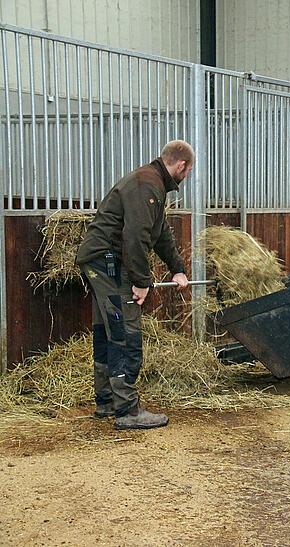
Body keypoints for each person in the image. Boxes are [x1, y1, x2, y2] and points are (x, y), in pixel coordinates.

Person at [75, 140, 194, 430]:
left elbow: (160, 232)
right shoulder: (147, 185)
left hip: (100, 261)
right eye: (188, 170)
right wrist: (142, 283)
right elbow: (135, 238)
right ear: (181, 165)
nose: (187, 175)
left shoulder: (151, 183)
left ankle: (107, 401)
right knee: (125, 332)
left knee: (106, 328)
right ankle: (127, 409)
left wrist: (177, 268)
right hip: (109, 262)